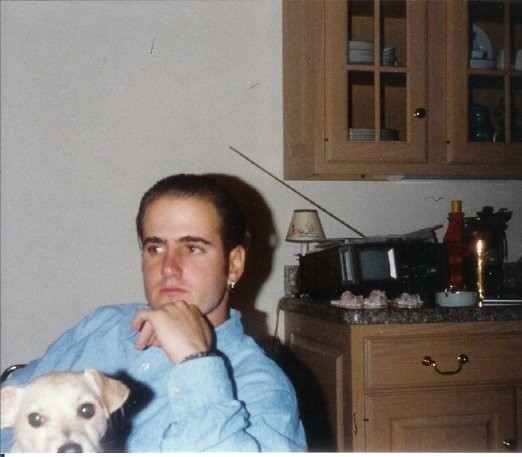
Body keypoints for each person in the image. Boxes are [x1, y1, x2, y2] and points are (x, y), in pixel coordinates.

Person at [0, 173, 307, 452]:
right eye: (155, 248)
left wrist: (196, 363)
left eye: (193, 248)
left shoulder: (260, 386)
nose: (169, 268)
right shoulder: (103, 325)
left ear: (234, 264)